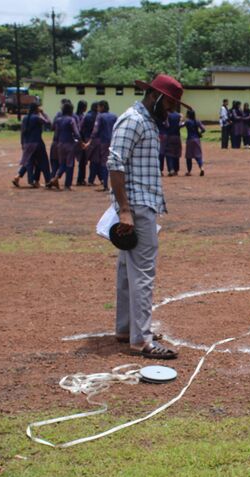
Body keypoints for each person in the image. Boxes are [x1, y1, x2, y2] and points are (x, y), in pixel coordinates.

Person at [107, 74, 184, 359]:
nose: (172, 111)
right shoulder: (134, 120)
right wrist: (124, 209)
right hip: (136, 207)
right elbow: (115, 162)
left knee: (128, 272)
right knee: (143, 273)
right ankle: (141, 340)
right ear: (156, 97)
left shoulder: (147, 121)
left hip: (140, 205)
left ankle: (126, 329)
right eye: (171, 104)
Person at [12, 103, 51, 188]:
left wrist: (22, 143)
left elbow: (22, 132)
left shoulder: (25, 118)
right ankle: (48, 180)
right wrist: (43, 113)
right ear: (36, 109)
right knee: (44, 162)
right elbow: (48, 123)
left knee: (30, 161)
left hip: (27, 143)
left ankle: (20, 177)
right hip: (37, 143)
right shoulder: (37, 118)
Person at [48, 101, 80, 190]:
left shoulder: (58, 120)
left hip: (59, 144)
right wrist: (80, 142)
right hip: (69, 144)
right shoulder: (71, 119)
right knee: (70, 164)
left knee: (62, 163)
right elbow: (76, 133)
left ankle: (55, 178)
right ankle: (67, 185)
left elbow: (54, 129)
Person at [86, 100, 117, 191]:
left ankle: (105, 185)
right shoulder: (114, 116)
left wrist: (90, 140)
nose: (98, 109)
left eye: (99, 107)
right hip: (113, 141)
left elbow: (95, 129)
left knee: (104, 162)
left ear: (102, 107)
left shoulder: (100, 116)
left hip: (104, 141)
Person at [76, 100, 93, 186]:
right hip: (82, 140)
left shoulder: (77, 116)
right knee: (83, 161)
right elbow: (80, 129)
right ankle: (80, 179)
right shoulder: (83, 117)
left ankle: (81, 178)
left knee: (82, 161)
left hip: (78, 140)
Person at [183, 109, 205, 176]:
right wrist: (199, 133)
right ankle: (201, 167)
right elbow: (203, 129)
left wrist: (181, 120)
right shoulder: (197, 121)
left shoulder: (187, 122)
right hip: (197, 139)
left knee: (188, 156)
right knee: (198, 155)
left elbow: (180, 125)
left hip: (190, 139)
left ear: (188, 115)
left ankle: (189, 171)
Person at [164, 108, 183, 176]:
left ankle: (171, 169)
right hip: (177, 137)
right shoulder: (179, 115)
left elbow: (167, 125)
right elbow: (180, 125)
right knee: (176, 153)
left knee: (169, 153)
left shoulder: (168, 115)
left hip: (170, 136)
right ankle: (176, 170)